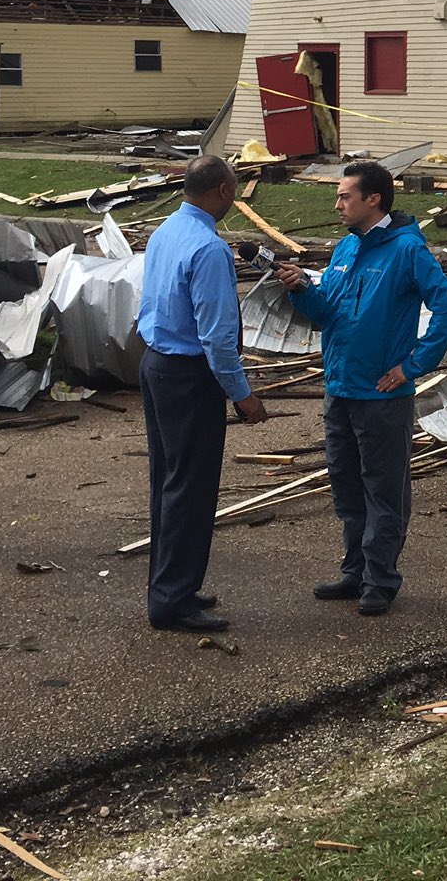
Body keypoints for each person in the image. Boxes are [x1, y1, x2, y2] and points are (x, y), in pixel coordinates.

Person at [276, 163, 447, 617]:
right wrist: (301, 287)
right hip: (340, 389)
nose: (337, 204)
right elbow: (327, 314)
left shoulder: (408, 250)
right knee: (346, 486)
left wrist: (412, 366)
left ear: (373, 199)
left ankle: (381, 579)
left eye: (345, 196)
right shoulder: (345, 248)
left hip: (381, 396)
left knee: (383, 490)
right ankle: (354, 571)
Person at [135, 155, 268, 633]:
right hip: (190, 372)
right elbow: (216, 335)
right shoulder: (209, 249)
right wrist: (242, 394)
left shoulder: (166, 231)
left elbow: (150, 299)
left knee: (169, 480)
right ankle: (172, 599)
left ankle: (171, 584)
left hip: (157, 362)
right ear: (223, 192)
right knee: (190, 487)